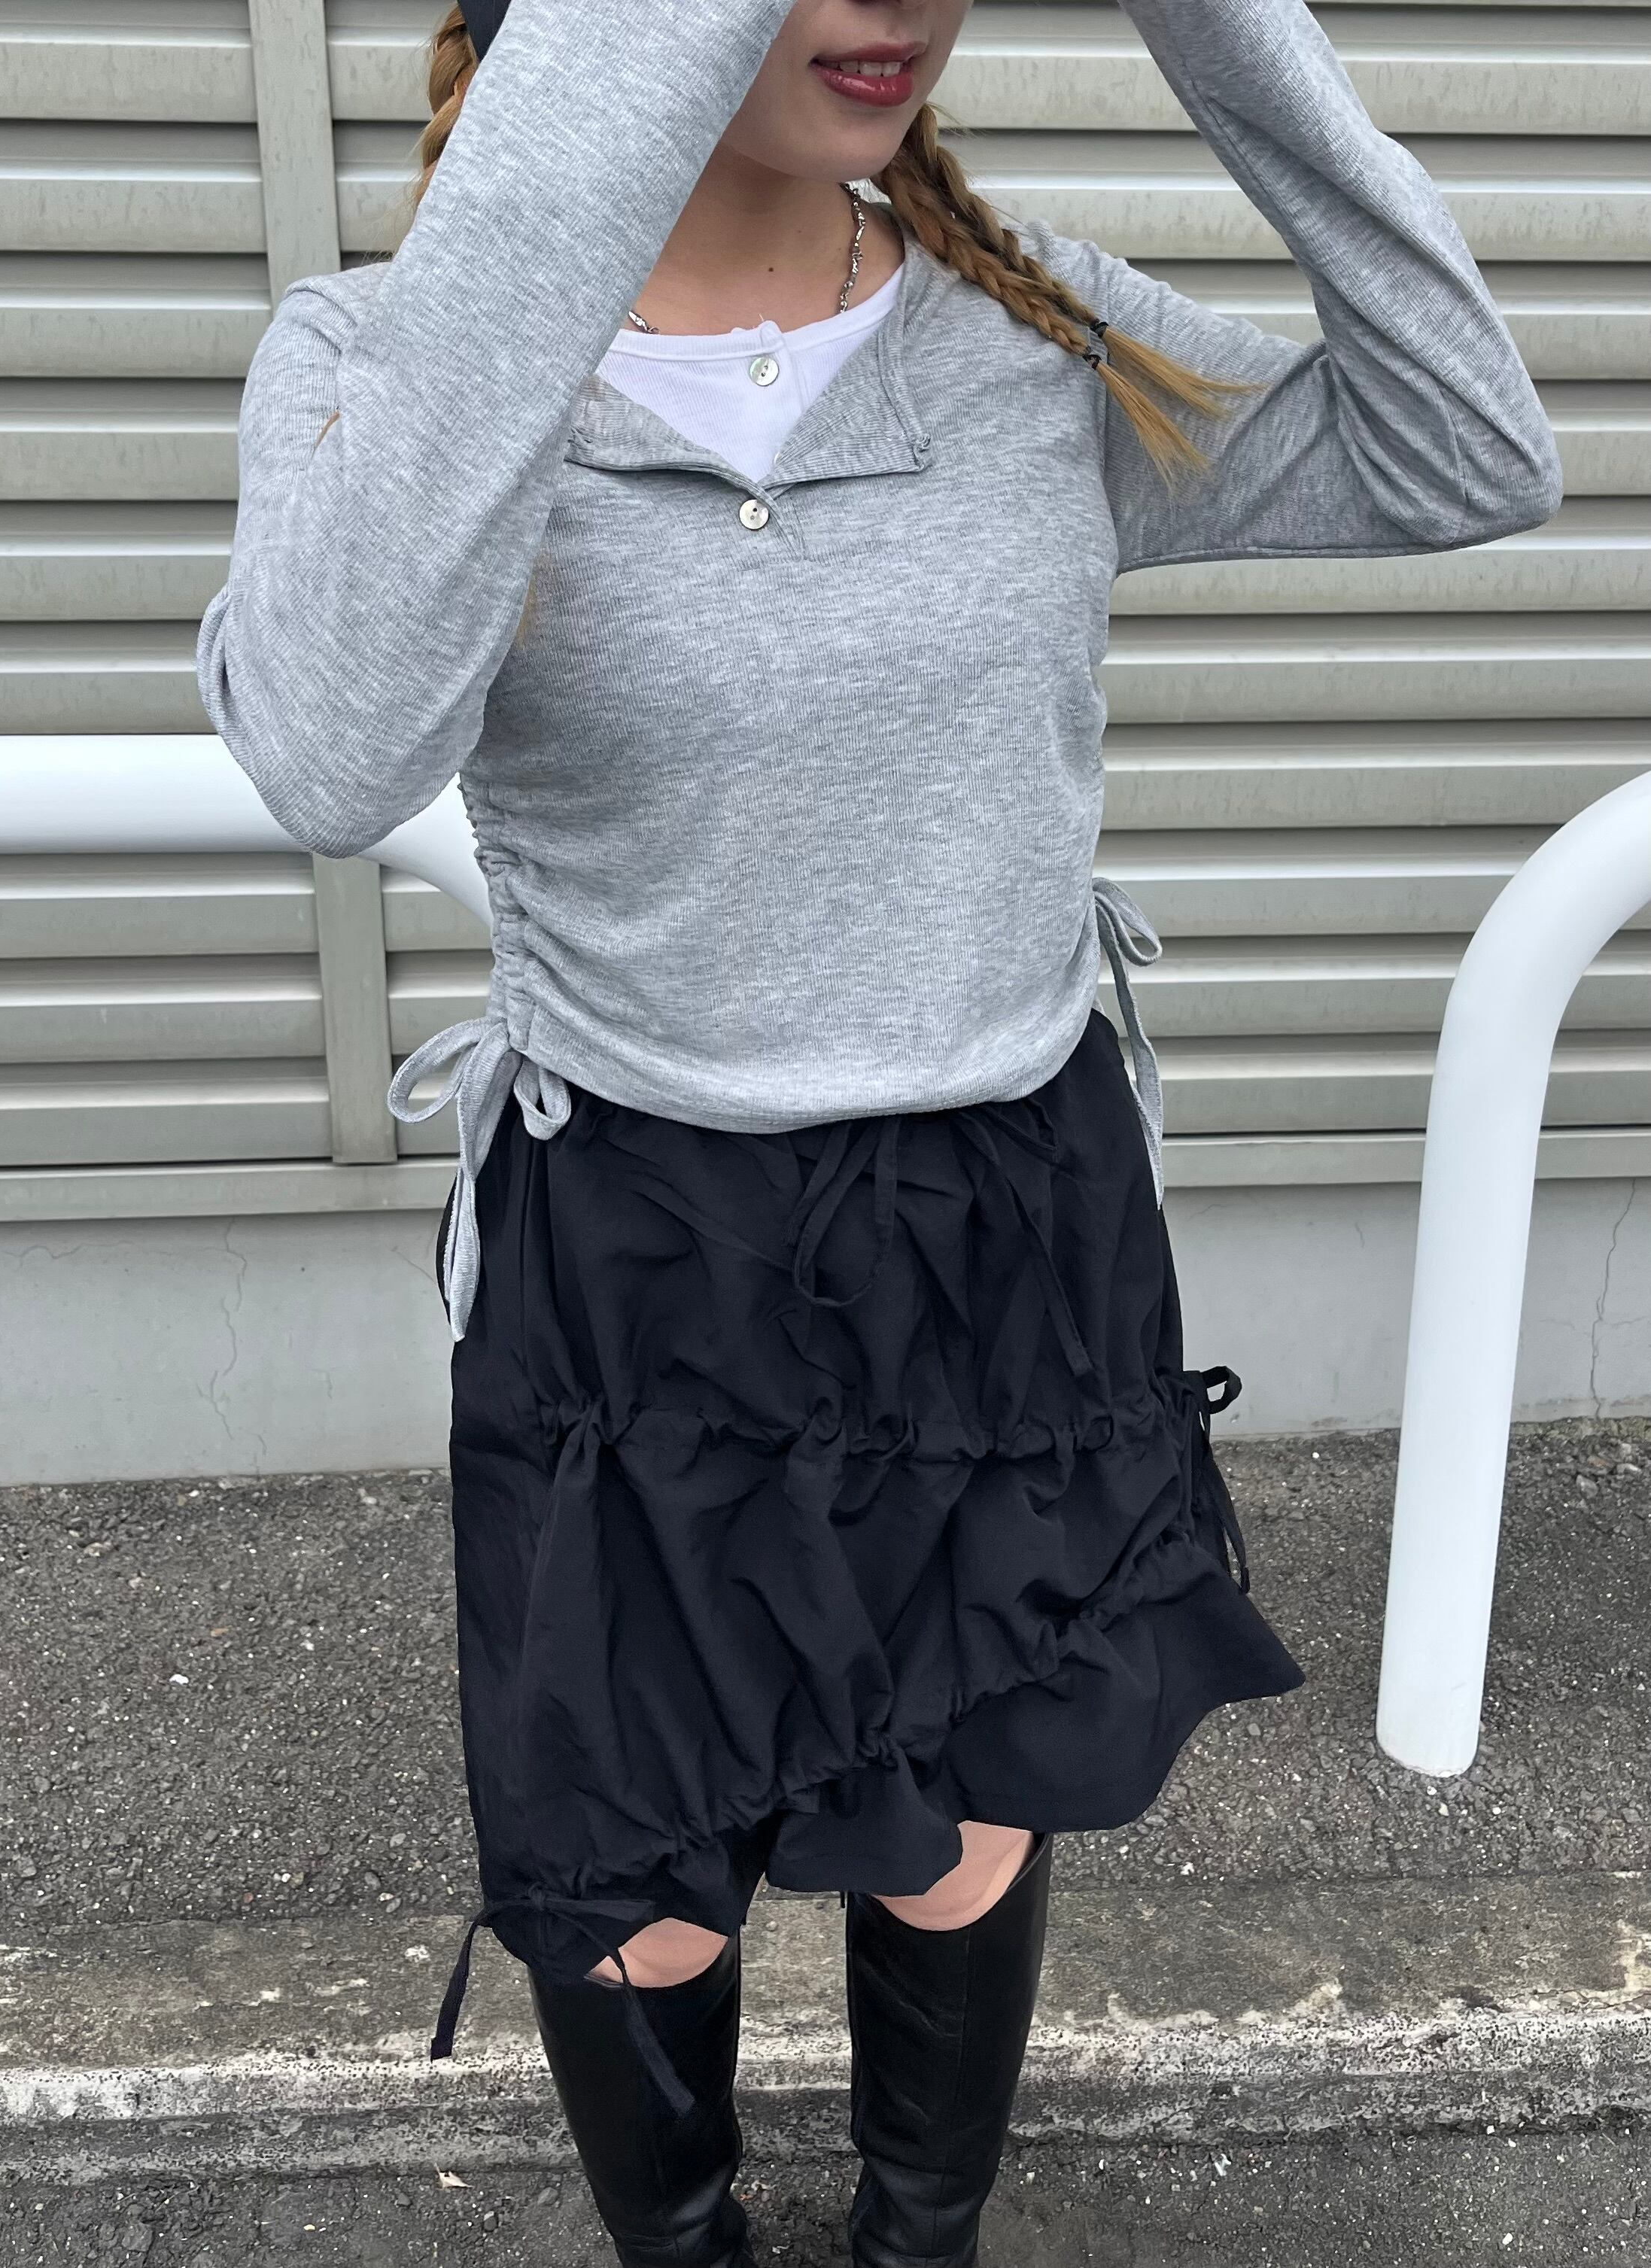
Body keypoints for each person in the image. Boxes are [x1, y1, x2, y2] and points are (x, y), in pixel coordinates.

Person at [196, 0, 1561, 2259]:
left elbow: (1466, 449)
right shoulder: (390, 363)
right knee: (637, 1871)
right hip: (644, 1243)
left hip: (1004, 1218)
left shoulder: (1024, 331)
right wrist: (568, 176)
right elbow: (332, 757)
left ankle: (921, 2241)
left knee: (959, 1817)